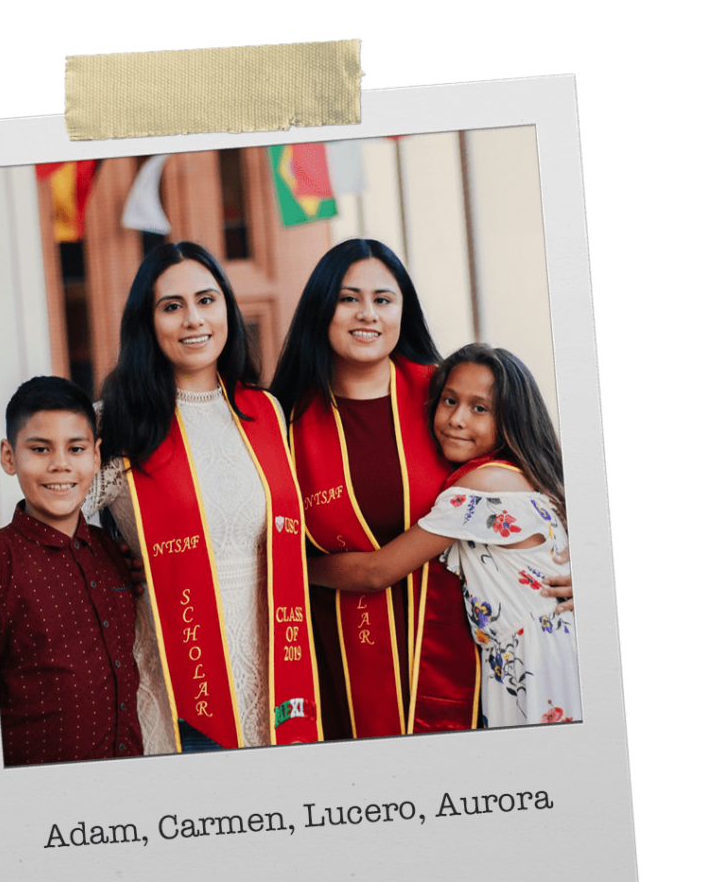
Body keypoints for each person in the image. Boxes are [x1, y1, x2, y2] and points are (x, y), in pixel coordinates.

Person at [272, 238, 573, 739]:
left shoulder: (448, 397)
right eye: (348, 298)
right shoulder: (282, 418)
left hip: (480, 665)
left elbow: (539, 471)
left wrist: (588, 559)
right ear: (321, 308)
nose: (366, 314)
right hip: (340, 657)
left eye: (383, 299)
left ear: (402, 310)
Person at [84, 241, 322, 754]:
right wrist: (107, 558)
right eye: (172, 307)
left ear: (227, 311)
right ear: (147, 323)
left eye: (207, 300)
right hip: (179, 685)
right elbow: (57, 523)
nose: (193, 319)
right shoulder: (115, 423)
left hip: (277, 674)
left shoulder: (265, 412)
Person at [308, 344, 580, 727]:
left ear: (510, 419)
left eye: (479, 408)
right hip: (550, 653)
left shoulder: (481, 486)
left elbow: (376, 572)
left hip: (533, 667)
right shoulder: (527, 476)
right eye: (449, 401)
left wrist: (292, 571)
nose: (456, 419)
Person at [0, 376, 143, 766]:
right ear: (9, 456)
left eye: (75, 448)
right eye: (40, 449)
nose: (60, 464)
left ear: (95, 456)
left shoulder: (111, 552)